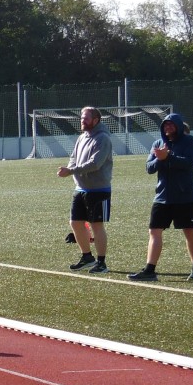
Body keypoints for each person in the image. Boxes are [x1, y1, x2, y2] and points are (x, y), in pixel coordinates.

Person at [129, 113, 193, 282]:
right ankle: (150, 270)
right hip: (162, 197)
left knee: (189, 231)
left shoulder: (190, 141)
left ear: (178, 125)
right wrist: (161, 159)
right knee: (154, 231)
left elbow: (188, 162)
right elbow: (149, 168)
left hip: (186, 196)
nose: (168, 128)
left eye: (171, 125)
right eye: (165, 125)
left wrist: (167, 157)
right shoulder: (158, 143)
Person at [57, 106, 113, 275]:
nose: (82, 121)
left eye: (86, 118)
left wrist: (72, 171)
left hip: (99, 190)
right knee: (75, 223)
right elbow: (73, 158)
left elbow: (96, 163)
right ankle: (87, 257)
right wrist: (69, 168)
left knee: (97, 225)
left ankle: (102, 262)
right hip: (80, 189)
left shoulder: (103, 138)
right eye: (82, 118)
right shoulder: (82, 138)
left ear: (96, 120)